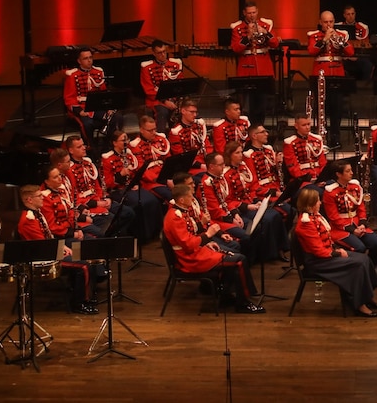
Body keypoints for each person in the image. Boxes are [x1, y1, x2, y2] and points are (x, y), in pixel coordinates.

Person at [163, 183, 264, 314]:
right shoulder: (174, 217)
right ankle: (243, 303)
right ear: (181, 200)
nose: (193, 198)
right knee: (239, 261)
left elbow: (191, 234)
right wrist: (208, 235)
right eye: (190, 196)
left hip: (197, 252)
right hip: (190, 260)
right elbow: (188, 244)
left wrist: (206, 242)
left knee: (234, 256)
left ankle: (225, 295)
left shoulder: (182, 211)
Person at [292, 187, 377, 317]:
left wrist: (336, 249)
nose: (320, 203)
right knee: (358, 264)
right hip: (318, 263)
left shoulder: (314, 217)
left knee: (364, 259)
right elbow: (318, 251)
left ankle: (367, 297)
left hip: (326, 255)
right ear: (310, 204)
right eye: (317, 201)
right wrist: (337, 253)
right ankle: (359, 305)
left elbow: (325, 241)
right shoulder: (305, 224)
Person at [17, 185, 100, 315]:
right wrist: (60, 249)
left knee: (84, 252)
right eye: (39, 196)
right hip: (43, 256)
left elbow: (48, 236)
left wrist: (63, 247)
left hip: (49, 249)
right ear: (29, 200)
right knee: (83, 265)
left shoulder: (37, 213)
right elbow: (42, 244)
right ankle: (79, 303)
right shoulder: (28, 220)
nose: (42, 198)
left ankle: (85, 293)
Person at [222, 141, 288, 263]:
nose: (241, 155)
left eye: (241, 152)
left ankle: (279, 249)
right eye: (237, 153)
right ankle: (265, 254)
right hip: (241, 210)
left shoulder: (243, 168)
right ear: (229, 155)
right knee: (267, 219)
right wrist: (248, 206)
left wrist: (256, 201)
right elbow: (228, 200)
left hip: (251, 202)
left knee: (275, 215)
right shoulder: (225, 174)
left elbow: (252, 187)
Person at [64, 134, 137, 238]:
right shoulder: (69, 171)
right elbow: (74, 196)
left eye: (83, 145)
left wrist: (105, 198)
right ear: (71, 150)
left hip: (99, 200)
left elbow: (97, 186)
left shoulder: (88, 164)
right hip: (88, 205)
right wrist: (96, 203)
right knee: (112, 222)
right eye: (79, 147)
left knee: (128, 213)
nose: (84, 148)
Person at [101, 129, 164, 241]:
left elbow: (136, 172)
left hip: (132, 187)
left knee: (153, 200)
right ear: (114, 143)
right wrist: (120, 175)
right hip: (118, 190)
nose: (126, 143)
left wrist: (134, 183)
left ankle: (155, 233)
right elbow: (108, 183)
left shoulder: (129, 155)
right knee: (141, 203)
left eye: (127, 140)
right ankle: (142, 237)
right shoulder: (107, 159)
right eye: (122, 141)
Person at [307, 10, 354, 146]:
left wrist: (341, 41)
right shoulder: (314, 36)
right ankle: (321, 136)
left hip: (337, 74)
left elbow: (350, 52)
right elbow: (311, 51)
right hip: (320, 74)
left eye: (331, 22)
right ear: (320, 22)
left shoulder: (341, 35)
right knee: (321, 108)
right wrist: (325, 39)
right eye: (326, 22)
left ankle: (335, 136)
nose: (329, 25)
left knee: (337, 107)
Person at [322, 160, 377, 260]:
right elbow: (333, 217)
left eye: (351, 170)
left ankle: (370, 266)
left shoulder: (355, 187)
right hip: (340, 229)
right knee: (360, 248)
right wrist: (352, 230)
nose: (352, 173)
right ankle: (355, 271)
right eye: (348, 171)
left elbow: (361, 208)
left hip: (357, 224)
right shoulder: (330, 193)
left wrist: (362, 224)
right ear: (338, 174)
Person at [230, 0, 281, 125]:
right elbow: (236, 48)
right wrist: (247, 37)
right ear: (244, 13)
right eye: (249, 13)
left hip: (263, 67)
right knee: (249, 103)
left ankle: (260, 128)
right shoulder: (238, 28)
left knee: (262, 103)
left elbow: (275, 43)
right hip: (247, 68)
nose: (252, 15)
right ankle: (251, 129)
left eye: (254, 12)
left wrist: (266, 33)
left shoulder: (265, 25)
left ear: (257, 12)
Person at [63, 47, 120, 147]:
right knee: (87, 124)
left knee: (116, 118)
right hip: (82, 108)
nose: (89, 60)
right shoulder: (73, 76)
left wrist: (108, 108)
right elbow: (69, 98)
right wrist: (79, 111)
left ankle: (107, 145)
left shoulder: (98, 73)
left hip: (98, 108)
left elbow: (104, 93)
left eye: (90, 57)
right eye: (85, 58)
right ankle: (91, 147)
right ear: (79, 61)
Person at [139, 39, 182, 133]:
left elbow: (180, 84)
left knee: (185, 110)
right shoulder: (147, 68)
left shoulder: (174, 64)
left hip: (174, 99)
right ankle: (160, 138)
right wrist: (165, 101)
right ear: (154, 53)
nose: (163, 55)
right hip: (156, 100)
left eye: (164, 52)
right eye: (159, 53)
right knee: (163, 112)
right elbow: (149, 90)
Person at [130, 115, 173, 201]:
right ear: (141, 130)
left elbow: (169, 160)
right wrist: (164, 180)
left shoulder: (160, 139)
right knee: (171, 195)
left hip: (166, 176)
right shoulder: (135, 146)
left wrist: (171, 177)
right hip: (151, 182)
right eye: (150, 130)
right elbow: (142, 171)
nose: (154, 132)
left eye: (155, 129)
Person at [283, 113, 327, 187]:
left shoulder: (317, 139)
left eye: (308, 124)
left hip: (319, 177)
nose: (307, 127)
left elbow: (323, 163)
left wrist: (321, 178)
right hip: (302, 180)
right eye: (304, 125)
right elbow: (293, 169)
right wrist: (311, 181)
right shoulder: (290, 143)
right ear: (296, 126)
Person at [168, 98, 209, 173]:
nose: (195, 115)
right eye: (192, 112)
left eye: (196, 112)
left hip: (206, 161)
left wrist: (211, 161)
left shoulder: (199, 125)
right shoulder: (176, 132)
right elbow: (181, 157)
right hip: (191, 167)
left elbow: (207, 145)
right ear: (183, 111)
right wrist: (201, 166)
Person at [341, 4, 374, 80]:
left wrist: (356, 56)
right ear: (344, 15)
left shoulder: (363, 27)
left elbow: (365, 44)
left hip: (359, 56)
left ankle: (364, 88)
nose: (351, 16)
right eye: (348, 14)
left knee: (368, 65)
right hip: (343, 56)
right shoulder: (338, 27)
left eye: (352, 14)